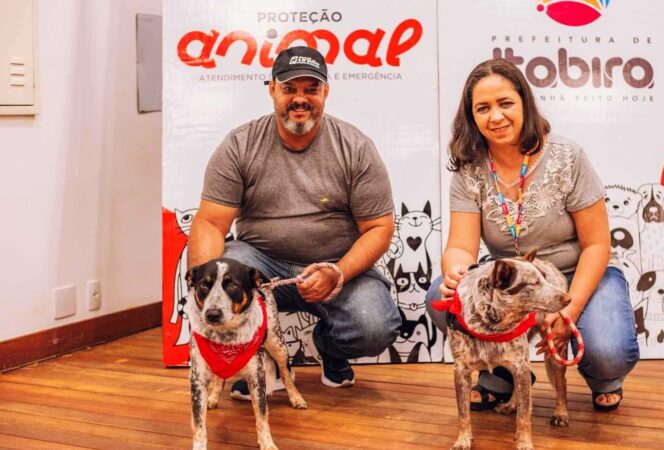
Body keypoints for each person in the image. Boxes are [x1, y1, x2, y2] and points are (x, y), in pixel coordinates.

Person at [425, 58, 639, 412]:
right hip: (515, 284)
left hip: (577, 273)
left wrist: (570, 310)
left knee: (609, 352)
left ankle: (604, 377)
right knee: (441, 296)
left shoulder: (568, 156)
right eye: (483, 108)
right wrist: (456, 274)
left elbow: (597, 244)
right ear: (471, 116)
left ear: (525, 102)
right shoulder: (469, 170)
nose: (495, 117)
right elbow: (461, 246)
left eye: (505, 103)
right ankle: (503, 373)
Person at [188, 46, 402, 398]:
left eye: (311, 89)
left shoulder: (356, 147)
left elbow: (379, 228)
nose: (300, 99)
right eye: (289, 88)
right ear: (272, 89)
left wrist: (337, 273)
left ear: (326, 92)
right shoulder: (240, 145)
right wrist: (203, 295)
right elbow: (210, 223)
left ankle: (330, 349)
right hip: (263, 267)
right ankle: (259, 361)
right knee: (233, 260)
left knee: (375, 326)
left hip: (335, 267)